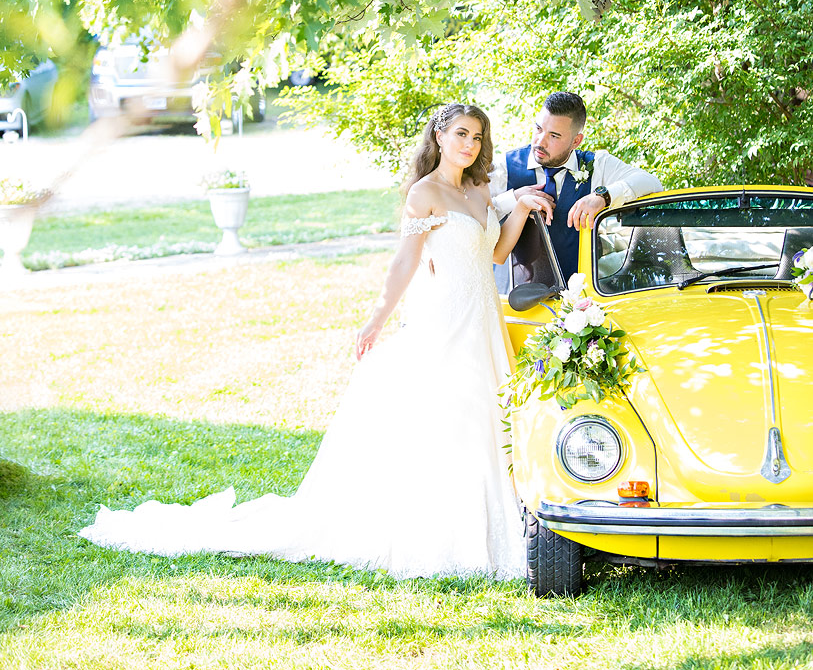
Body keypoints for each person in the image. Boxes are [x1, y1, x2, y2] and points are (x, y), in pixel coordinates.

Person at [79, 103, 548, 580]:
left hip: (482, 316)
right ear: (440, 135)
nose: (470, 144)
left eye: (477, 137)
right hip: (446, 319)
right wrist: (376, 319)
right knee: (454, 414)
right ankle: (444, 536)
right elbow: (404, 264)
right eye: (462, 134)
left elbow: (495, 250)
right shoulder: (424, 194)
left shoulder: (479, 189)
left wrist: (522, 208)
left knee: (488, 415)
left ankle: (491, 526)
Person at [490, 91, 662, 289]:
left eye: (554, 135)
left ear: (576, 141)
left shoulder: (598, 165)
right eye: (538, 128)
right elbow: (474, 218)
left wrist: (603, 196)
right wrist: (513, 198)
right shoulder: (503, 168)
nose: (540, 141)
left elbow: (651, 182)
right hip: (518, 303)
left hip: (582, 303)